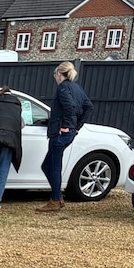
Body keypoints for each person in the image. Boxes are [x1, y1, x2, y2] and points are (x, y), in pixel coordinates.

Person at [36, 61, 94, 213]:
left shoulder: (62, 88)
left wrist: (66, 126)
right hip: (68, 132)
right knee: (47, 166)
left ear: (59, 74)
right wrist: (76, 127)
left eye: (55, 75)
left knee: (54, 167)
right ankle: (57, 197)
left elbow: (70, 107)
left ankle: (55, 200)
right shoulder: (77, 88)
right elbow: (88, 107)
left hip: (60, 133)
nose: (55, 77)